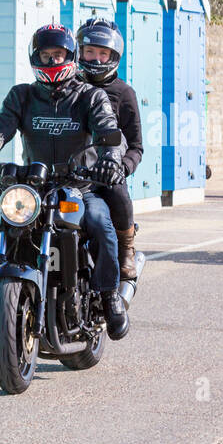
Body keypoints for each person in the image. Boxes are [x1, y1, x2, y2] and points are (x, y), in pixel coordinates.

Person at [0, 23, 130, 339]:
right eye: (46, 55)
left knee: (99, 221)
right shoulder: (22, 96)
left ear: (70, 56)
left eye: (58, 55)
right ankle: (0, 301)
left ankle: (109, 296)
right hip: (34, 188)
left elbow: (110, 133)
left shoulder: (90, 96)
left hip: (79, 186)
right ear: (35, 58)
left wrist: (110, 160)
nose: (52, 61)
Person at [75, 17, 141, 281]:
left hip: (105, 173)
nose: (97, 58)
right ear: (79, 52)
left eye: (104, 53)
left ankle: (126, 249)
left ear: (114, 55)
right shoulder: (69, 87)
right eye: (90, 51)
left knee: (117, 190)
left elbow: (136, 145)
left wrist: (120, 168)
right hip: (70, 172)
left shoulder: (123, 92)